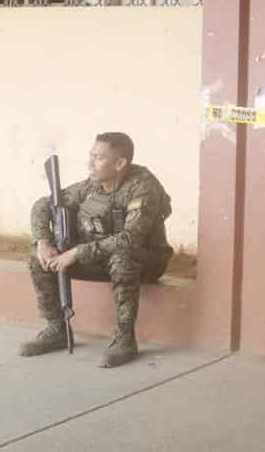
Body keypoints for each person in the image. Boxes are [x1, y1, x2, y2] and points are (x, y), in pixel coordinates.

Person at [20, 132, 174, 368]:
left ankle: (125, 338)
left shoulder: (143, 187)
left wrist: (76, 253)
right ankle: (57, 328)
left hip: (145, 260)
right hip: (100, 257)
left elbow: (130, 239)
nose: (90, 163)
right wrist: (43, 242)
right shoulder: (92, 185)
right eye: (91, 156)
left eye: (98, 158)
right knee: (37, 258)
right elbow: (43, 204)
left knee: (123, 256)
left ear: (120, 163)